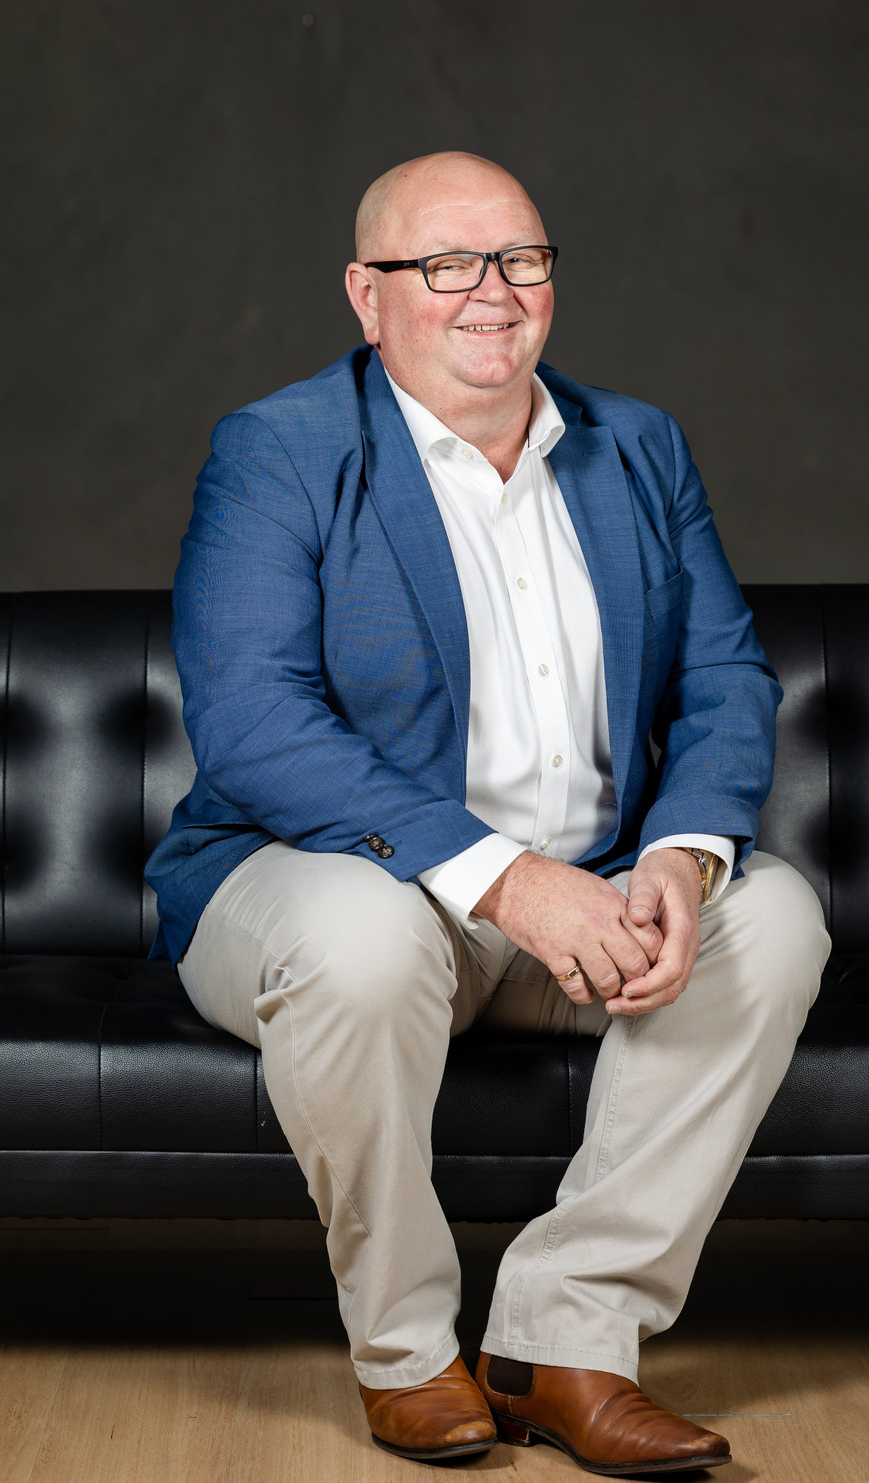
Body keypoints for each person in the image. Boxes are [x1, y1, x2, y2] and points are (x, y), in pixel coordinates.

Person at [146, 150, 830, 1474]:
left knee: (776, 917)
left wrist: (682, 859)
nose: (492, 292)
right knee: (359, 935)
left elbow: (724, 678)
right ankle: (409, 1355)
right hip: (322, 884)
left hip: (588, 896)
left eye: (521, 258)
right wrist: (511, 880)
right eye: (446, 264)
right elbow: (253, 722)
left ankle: (563, 1341)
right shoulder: (280, 450)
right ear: (369, 295)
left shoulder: (637, 444)